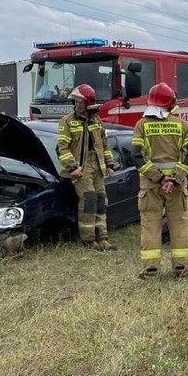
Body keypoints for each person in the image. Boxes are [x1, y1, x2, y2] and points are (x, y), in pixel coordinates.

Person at [131, 82, 188, 279]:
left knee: (150, 224)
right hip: (176, 186)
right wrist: (173, 179)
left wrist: (159, 178)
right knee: (179, 224)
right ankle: (181, 268)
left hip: (151, 186)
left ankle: (151, 269)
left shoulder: (141, 125)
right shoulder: (182, 125)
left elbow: (137, 157)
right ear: (170, 103)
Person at [56, 84, 117, 251]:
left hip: (97, 167)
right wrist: (72, 168)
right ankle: (89, 240)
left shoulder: (96, 121)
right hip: (80, 169)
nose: (77, 104)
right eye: (75, 101)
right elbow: (62, 147)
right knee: (89, 200)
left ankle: (102, 238)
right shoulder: (67, 122)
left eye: (80, 101)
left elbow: (104, 145)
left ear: (88, 102)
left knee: (100, 201)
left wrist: (110, 164)